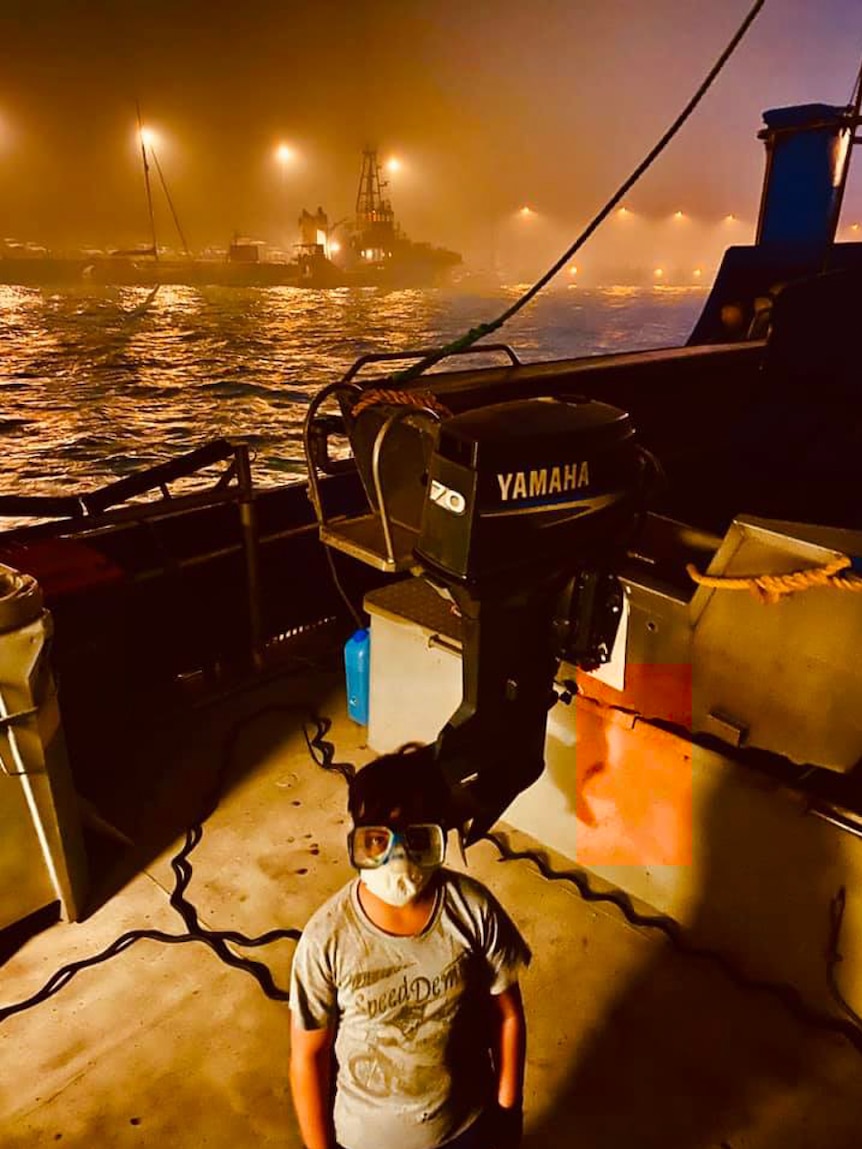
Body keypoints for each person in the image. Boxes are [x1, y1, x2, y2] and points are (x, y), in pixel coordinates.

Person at [289, 743, 531, 1149]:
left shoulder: (473, 911)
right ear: (356, 838)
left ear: (440, 832)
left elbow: (506, 1015)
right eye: (378, 840)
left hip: (466, 1127)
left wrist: (507, 1110)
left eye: (417, 838)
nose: (397, 858)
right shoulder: (325, 941)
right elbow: (309, 1056)